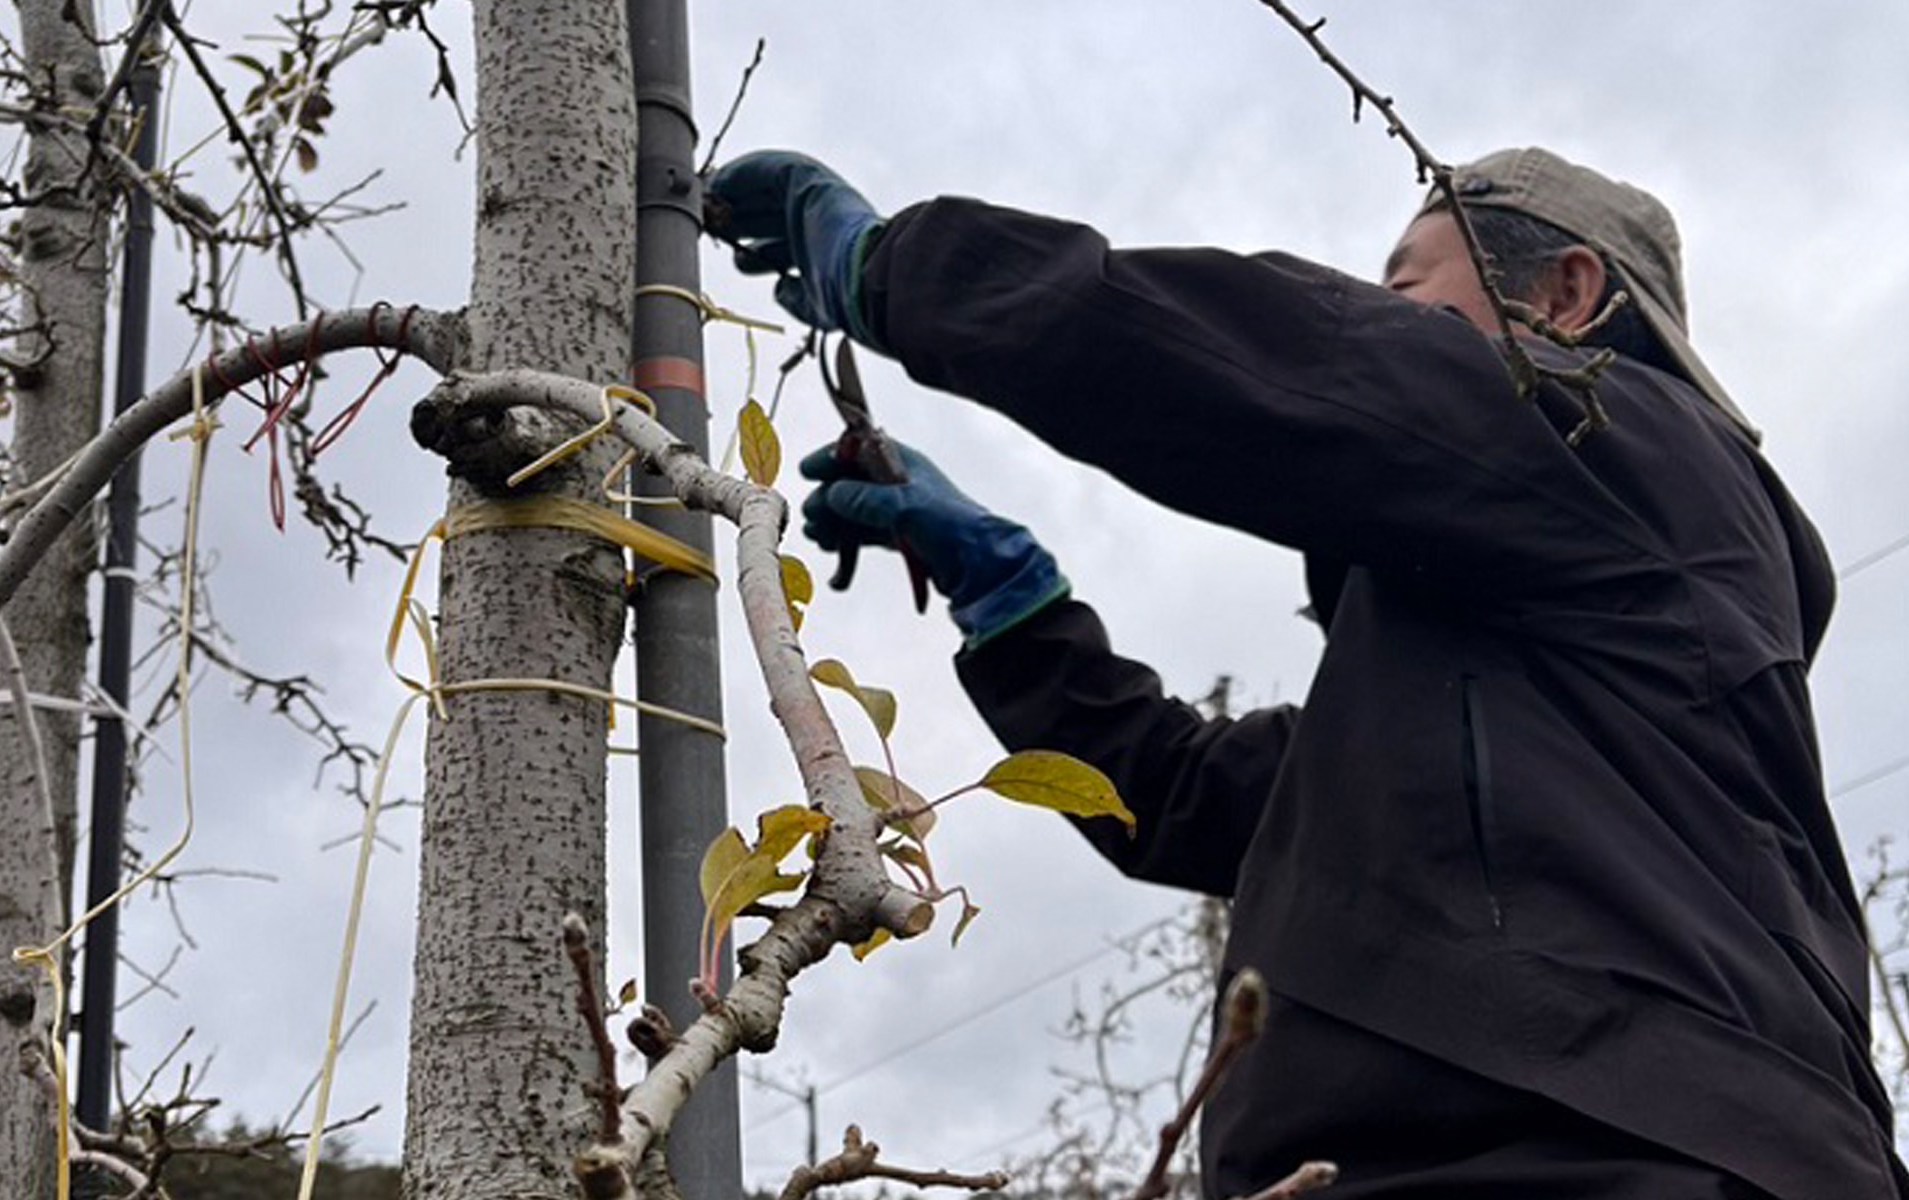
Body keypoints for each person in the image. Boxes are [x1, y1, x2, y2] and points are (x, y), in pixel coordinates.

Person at [706, 147, 1907, 1199]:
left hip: (1617, 1154)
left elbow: (1309, 368)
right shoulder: (1493, 711)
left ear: (1567, 293)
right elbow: (1180, 795)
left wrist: (909, 272)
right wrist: (1009, 596)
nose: (1383, 314)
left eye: (1406, 285)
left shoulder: (1630, 441)